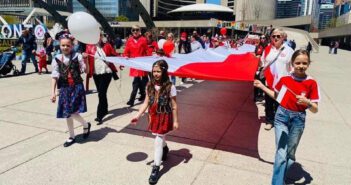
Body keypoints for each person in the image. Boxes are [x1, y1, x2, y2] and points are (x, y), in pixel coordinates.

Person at [254, 49, 320, 185]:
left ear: (308, 64)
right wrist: (262, 86)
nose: (301, 66)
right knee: (281, 154)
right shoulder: (285, 79)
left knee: (290, 155)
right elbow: (277, 96)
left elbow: (315, 109)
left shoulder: (311, 83)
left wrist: (307, 102)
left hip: (298, 121)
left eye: (304, 63)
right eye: (298, 63)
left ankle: (281, 178)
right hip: (281, 118)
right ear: (292, 64)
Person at [130, 60, 179, 185]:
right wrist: (137, 115)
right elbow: (146, 102)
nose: (156, 73)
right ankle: (165, 148)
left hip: (164, 115)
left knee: (158, 139)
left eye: (158, 71)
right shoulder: (149, 85)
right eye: (154, 71)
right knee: (159, 137)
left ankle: (156, 168)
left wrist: (176, 121)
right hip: (153, 115)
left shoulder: (170, 86)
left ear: (164, 71)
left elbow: (174, 105)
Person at [50, 34, 91, 147]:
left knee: (71, 112)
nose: (65, 47)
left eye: (67, 45)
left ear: (72, 46)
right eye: (63, 45)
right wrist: (53, 92)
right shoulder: (57, 58)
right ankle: (72, 136)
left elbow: (86, 71)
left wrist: (86, 60)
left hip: (76, 87)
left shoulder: (77, 56)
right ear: (59, 46)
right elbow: (54, 76)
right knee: (67, 114)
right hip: (64, 88)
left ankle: (85, 124)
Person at [261, 28, 294, 130]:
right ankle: (269, 121)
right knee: (269, 102)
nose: (275, 38)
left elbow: (292, 67)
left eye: (278, 36)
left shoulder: (289, 51)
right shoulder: (267, 49)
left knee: (280, 103)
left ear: (283, 37)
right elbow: (262, 63)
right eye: (273, 36)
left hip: (282, 83)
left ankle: (279, 121)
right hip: (269, 81)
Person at [124, 25, 149, 107]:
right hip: (134, 65)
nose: (135, 31)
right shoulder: (129, 40)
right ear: (131, 31)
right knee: (136, 82)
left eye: (137, 30)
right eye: (133, 30)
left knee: (139, 82)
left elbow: (147, 52)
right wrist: (123, 62)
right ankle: (138, 97)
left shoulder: (143, 40)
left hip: (142, 65)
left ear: (140, 31)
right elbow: (126, 52)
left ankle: (133, 99)